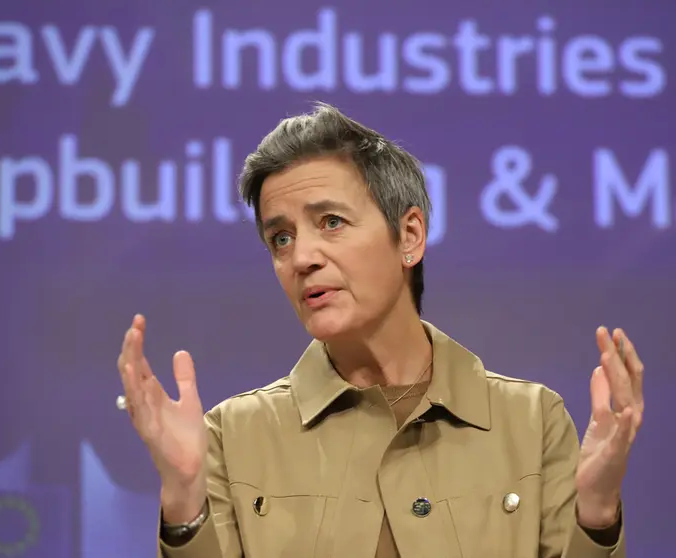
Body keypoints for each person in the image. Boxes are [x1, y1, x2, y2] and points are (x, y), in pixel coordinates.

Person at [116, 103, 644, 557]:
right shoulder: (233, 436)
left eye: (331, 223)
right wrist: (186, 501)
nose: (301, 258)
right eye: (280, 238)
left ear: (409, 235)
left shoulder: (531, 424)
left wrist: (596, 513)